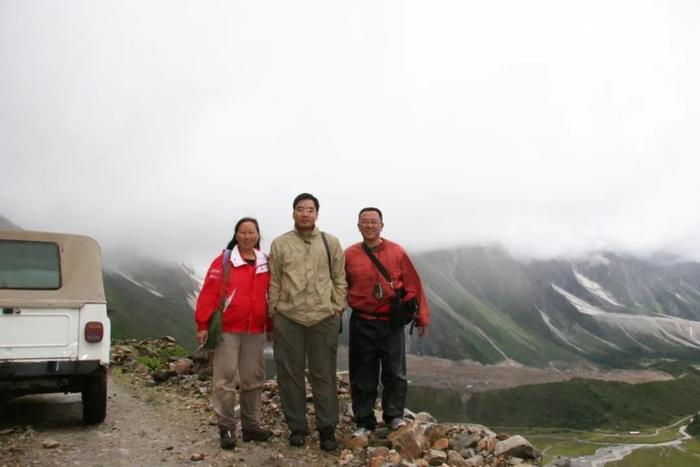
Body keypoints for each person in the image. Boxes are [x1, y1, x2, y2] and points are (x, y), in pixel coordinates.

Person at [268, 193, 347, 451]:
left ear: (317, 213)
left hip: (323, 317)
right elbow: (275, 280)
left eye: (310, 209)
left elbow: (339, 278)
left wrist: (337, 307)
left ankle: (326, 428)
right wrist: (274, 310)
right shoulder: (280, 244)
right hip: (289, 317)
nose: (305, 213)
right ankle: (297, 427)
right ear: (293, 213)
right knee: (289, 374)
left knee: (322, 374)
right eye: (300, 209)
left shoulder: (331, 242)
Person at [344, 207, 430, 437]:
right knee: (362, 373)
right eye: (365, 222)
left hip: (391, 321)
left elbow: (413, 283)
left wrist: (422, 315)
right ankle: (364, 421)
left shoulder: (397, 252)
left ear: (382, 225)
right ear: (358, 226)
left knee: (395, 372)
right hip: (362, 320)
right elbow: (340, 285)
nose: (369, 225)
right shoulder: (349, 254)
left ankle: (394, 416)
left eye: (374, 221)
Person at [194, 217, 273, 450]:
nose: (248, 236)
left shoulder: (265, 262)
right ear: (236, 235)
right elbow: (209, 293)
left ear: (258, 235)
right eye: (243, 232)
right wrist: (202, 324)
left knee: (253, 379)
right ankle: (226, 426)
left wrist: (272, 326)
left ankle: (251, 426)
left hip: (256, 329)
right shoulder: (225, 261)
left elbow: (273, 293)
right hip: (228, 329)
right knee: (225, 379)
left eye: (252, 232)